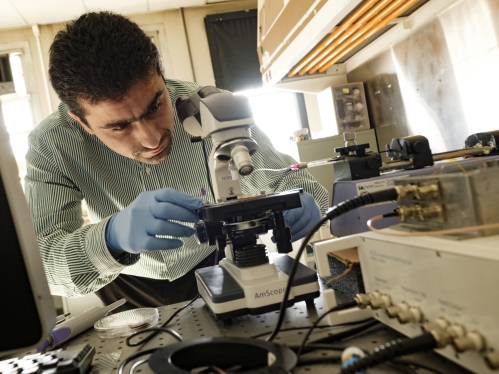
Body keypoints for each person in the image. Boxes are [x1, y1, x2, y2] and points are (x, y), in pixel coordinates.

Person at [24, 11, 329, 312]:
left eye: (155, 106)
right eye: (119, 126)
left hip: (213, 263)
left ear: (160, 73)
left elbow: (279, 177)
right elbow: (44, 264)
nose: (151, 138)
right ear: (82, 121)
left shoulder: (212, 107)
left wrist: (304, 199)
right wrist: (110, 237)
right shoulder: (52, 144)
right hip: (126, 285)